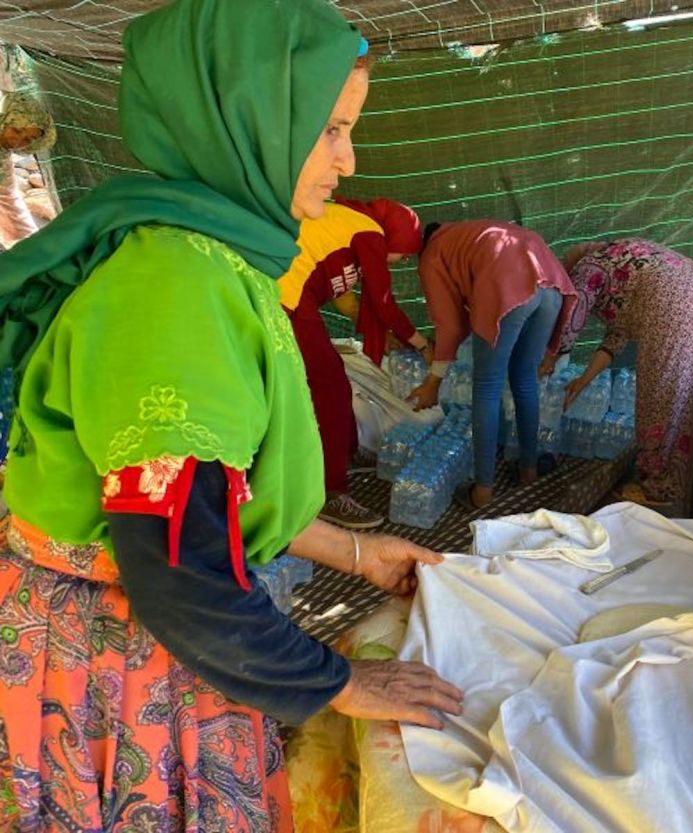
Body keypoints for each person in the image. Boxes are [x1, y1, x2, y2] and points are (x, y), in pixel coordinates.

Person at [0, 2, 462, 829]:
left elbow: (205, 499)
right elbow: (179, 573)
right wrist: (343, 681)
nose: (348, 160)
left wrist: (353, 552)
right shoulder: (179, 292)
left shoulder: (199, 251)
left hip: (134, 635)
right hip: (121, 661)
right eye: (328, 131)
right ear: (246, 119)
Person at [546, 238, 693, 509]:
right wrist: (584, 380)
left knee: (659, 396)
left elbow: (574, 310)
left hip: (676, 305)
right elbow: (616, 339)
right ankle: (686, 482)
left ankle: (656, 486)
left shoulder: (588, 264)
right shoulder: (625, 257)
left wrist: (551, 355)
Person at [279, 197, 429, 529]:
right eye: (403, 253)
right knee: (329, 385)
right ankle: (329, 492)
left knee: (333, 381)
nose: (401, 260)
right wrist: (420, 344)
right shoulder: (368, 231)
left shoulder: (349, 227)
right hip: (284, 297)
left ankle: (342, 455)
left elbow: (343, 296)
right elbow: (384, 301)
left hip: (290, 294)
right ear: (396, 237)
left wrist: (379, 334)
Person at [407, 220, 576, 509]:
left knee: (487, 386)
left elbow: (449, 325)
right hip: (551, 283)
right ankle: (529, 470)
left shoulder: (432, 254)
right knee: (524, 377)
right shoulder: (470, 233)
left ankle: (482, 491)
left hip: (509, 289)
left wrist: (433, 381)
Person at [0, 90, 55, 247]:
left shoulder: (2, 156)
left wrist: (31, 241)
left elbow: (8, 196)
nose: (17, 141)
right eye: (16, 130)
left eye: (29, 139)